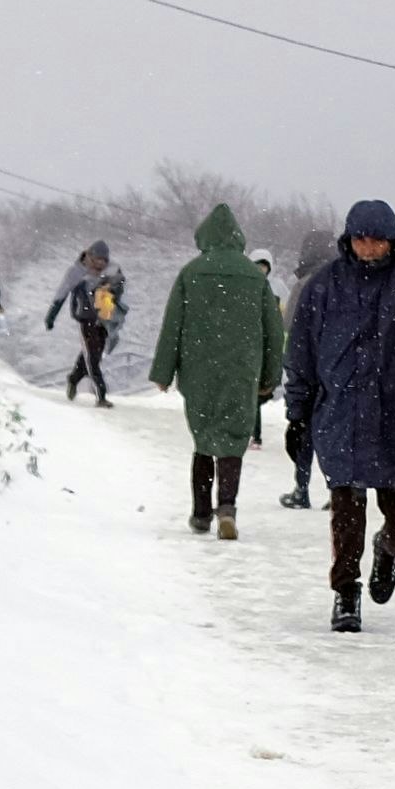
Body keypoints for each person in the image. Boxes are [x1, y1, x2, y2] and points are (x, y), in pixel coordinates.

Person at [281, 200, 395, 634]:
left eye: (377, 239)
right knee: (346, 510)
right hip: (342, 415)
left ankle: (388, 548)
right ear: (349, 240)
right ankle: (346, 592)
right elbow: (302, 356)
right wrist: (298, 415)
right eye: (361, 239)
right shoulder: (324, 287)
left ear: (392, 240)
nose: (369, 248)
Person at [145, 205, 288, 540]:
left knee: (204, 439)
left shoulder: (192, 272)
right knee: (233, 442)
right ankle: (226, 508)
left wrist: (163, 371)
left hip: (199, 370)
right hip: (241, 370)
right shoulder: (255, 276)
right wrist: (270, 376)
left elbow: (173, 327)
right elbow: (272, 331)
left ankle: (199, 513)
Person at [278, 228, 339, 509]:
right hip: (340, 369)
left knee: (303, 427)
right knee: (336, 429)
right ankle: (338, 490)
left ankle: (302, 488)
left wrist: (292, 366)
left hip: (308, 368)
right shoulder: (346, 280)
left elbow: (290, 329)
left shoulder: (305, 284)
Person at [43, 241, 126, 405]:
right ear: (90, 256)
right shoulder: (76, 272)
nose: (101, 263)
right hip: (85, 318)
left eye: (104, 260)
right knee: (92, 358)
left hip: (104, 318)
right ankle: (101, 396)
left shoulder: (112, 270)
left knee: (93, 354)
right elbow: (62, 293)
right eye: (98, 259)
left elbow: (120, 285)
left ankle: (73, 379)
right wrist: (51, 316)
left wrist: (111, 289)